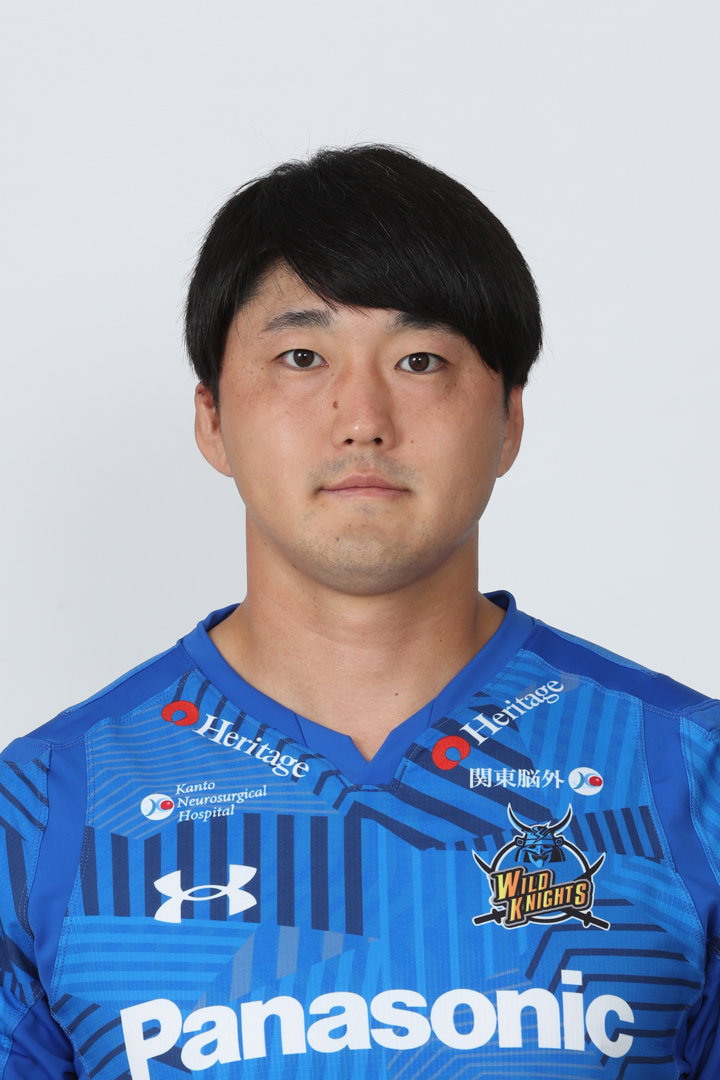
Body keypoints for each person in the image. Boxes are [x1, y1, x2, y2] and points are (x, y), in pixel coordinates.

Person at [0, 145, 717, 1080]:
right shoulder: (41, 812)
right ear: (212, 418)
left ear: (509, 419)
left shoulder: (689, 773)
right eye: (302, 357)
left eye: (421, 360)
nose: (363, 418)